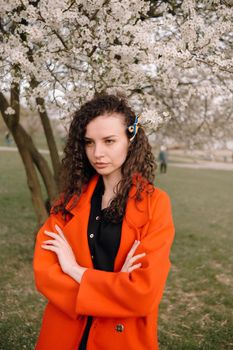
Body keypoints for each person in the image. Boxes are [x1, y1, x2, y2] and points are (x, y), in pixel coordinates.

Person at [33, 93, 175, 350]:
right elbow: (45, 275)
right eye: (89, 142)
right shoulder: (68, 202)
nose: (97, 153)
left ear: (130, 141)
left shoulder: (156, 204)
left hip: (123, 338)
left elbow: (143, 294)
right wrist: (116, 286)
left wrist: (75, 270)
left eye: (109, 141)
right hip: (63, 334)